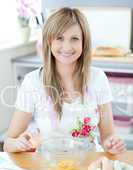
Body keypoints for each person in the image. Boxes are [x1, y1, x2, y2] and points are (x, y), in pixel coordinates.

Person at [4, 7, 126, 153]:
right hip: (49, 167)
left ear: (84, 42)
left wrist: (112, 144)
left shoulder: (98, 78)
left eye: (74, 39)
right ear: (49, 41)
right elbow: (8, 143)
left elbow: (108, 135)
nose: (67, 47)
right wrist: (18, 144)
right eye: (59, 38)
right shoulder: (32, 82)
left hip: (89, 165)